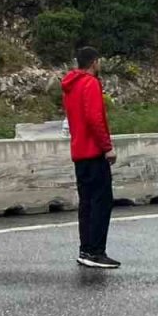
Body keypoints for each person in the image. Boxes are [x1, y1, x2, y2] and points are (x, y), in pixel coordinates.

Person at [61, 46, 120, 269]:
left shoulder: (70, 85)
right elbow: (95, 118)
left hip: (79, 152)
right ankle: (96, 252)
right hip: (93, 151)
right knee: (101, 202)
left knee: (86, 203)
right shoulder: (90, 83)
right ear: (95, 62)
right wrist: (107, 147)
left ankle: (85, 249)